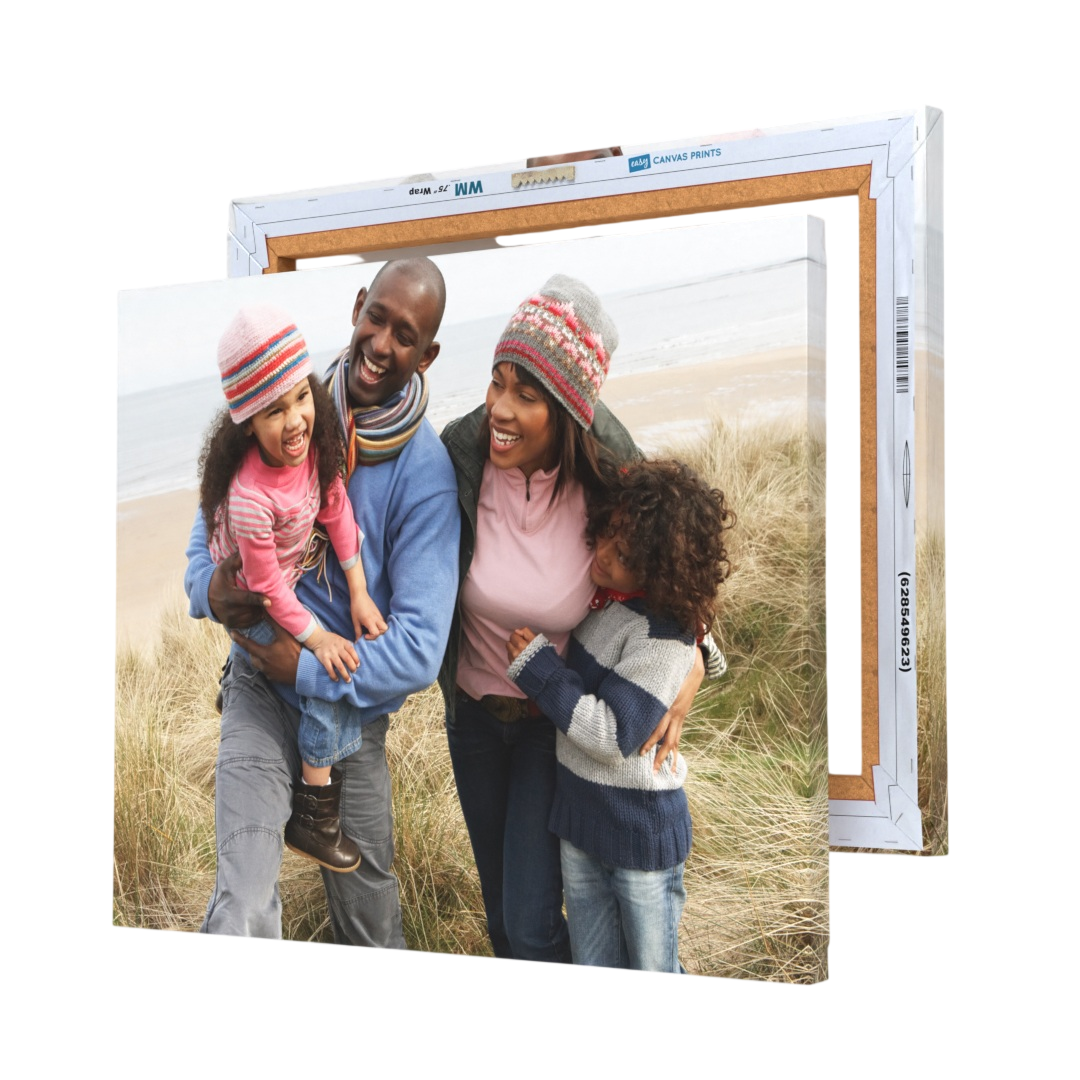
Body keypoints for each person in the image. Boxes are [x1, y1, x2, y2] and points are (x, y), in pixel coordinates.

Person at [185, 257, 459, 944]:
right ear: (358, 306)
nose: (382, 343)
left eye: (406, 335)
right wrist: (211, 592)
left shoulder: (426, 476)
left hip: (350, 714)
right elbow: (203, 549)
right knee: (242, 905)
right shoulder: (282, 407)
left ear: (427, 354)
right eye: (378, 318)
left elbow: (420, 652)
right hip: (255, 688)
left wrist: (302, 666)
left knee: (369, 918)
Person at [438, 274, 704, 963]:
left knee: (530, 925)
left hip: (547, 728)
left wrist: (697, 655)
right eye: (497, 383)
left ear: (565, 409)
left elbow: (680, 556)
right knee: (503, 920)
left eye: (526, 394)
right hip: (470, 720)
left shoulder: (607, 478)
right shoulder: (461, 457)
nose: (500, 407)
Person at [506, 459, 735, 972]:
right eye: (606, 535)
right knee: (595, 967)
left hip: (640, 835)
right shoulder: (607, 603)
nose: (603, 556)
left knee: (652, 970)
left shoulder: (664, 634)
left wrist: (539, 671)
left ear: (660, 568)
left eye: (625, 554)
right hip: (582, 826)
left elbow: (612, 734)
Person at [198, 305, 388, 873]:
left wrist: (358, 590)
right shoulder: (252, 499)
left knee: (316, 663)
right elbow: (266, 590)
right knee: (325, 686)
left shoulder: (315, 446)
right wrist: (321, 640)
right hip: (253, 597)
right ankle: (314, 811)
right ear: (248, 425)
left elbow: (339, 512)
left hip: (283, 584)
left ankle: (243, 678)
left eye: (301, 397)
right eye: (274, 411)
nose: (296, 419)